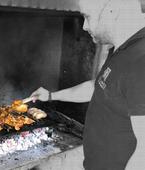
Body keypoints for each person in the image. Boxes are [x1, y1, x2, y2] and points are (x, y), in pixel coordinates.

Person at [26, 0, 145, 169]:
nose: (84, 26)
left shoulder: (140, 60)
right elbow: (98, 87)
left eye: (87, 17)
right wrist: (51, 96)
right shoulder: (123, 49)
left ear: (111, 10)